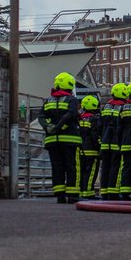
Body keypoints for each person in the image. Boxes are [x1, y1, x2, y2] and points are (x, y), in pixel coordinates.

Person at [40, 72, 82, 204]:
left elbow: (41, 117)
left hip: (52, 140)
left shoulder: (48, 100)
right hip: (70, 140)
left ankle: (60, 195)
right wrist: (60, 126)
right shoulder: (72, 100)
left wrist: (49, 127)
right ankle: (73, 195)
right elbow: (72, 114)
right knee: (72, 166)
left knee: (57, 167)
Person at [98, 83, 127, 200]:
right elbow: (121, 126)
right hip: (116, 142)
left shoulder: (105, 107)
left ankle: (104, 192)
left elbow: (100, 125)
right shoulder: (123, 107)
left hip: (105, 142)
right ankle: (113, 192)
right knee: (116, 166)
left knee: (105, 166)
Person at [77, 94, 102, 199]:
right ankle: (89, 193)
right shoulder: (94, 119)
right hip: (92, 150)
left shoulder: (79, 118)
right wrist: (100, 146)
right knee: (91, 173)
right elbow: (95, 135)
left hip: (81, 150)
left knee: (82, 172)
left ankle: (81, 193)